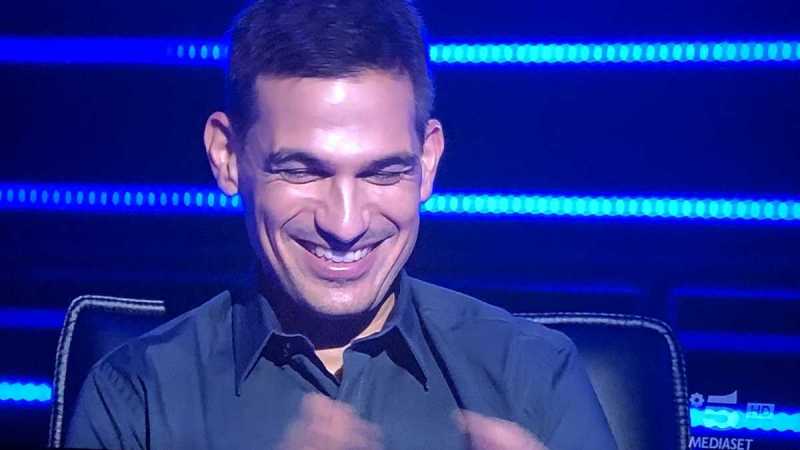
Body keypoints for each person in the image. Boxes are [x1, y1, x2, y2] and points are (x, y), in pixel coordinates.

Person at [65, 1, 617, 449]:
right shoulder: (137, 397)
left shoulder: (531, 375)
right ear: (227, 156)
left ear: (427, 163)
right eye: (301, 171)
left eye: (383, 173)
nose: (345, 224)